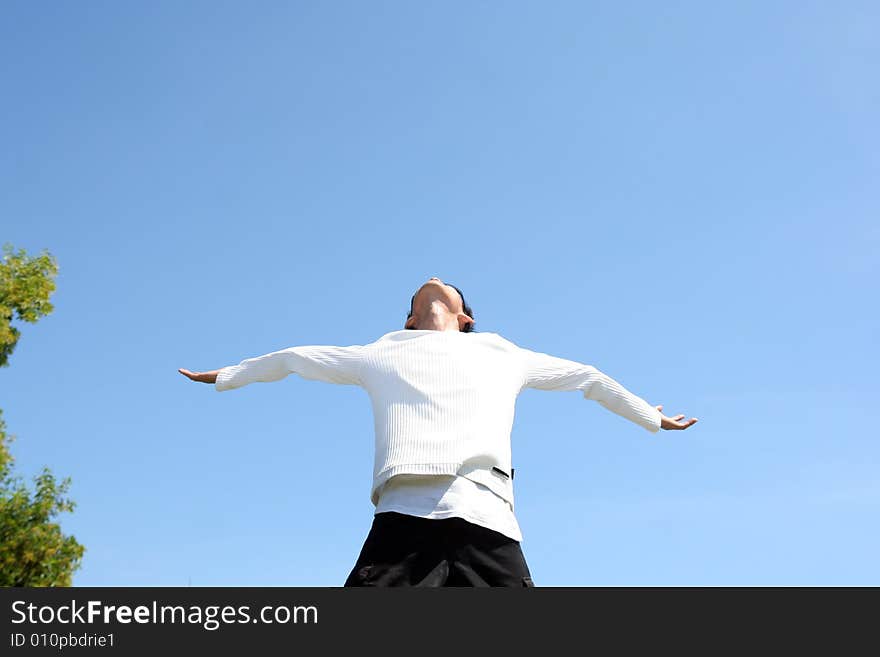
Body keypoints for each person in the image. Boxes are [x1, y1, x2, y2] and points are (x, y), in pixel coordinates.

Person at [179, 277, 698, 586]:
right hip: (403, 521)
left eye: (444, 285)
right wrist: (228, 375)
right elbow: (294, 359)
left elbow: (587, 377)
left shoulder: (503, 353)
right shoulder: (380, 353)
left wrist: (648, 416)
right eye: (416, 293)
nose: (431, 279)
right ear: (407, 321)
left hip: (487, 519)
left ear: (466, 316)